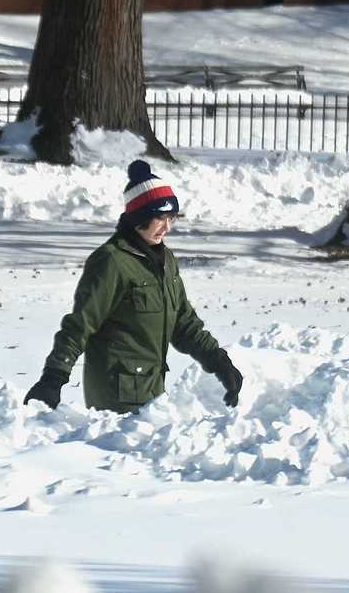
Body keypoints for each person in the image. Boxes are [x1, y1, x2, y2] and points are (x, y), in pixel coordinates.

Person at [24, 160, 242, 411]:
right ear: (140, 217)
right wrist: (54, 377)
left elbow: (183, 322)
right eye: (160, 218)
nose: (167, 227)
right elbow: (81, 324)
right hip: (115, 395)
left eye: (172, 218)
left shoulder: (166, 260)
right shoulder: (112, 261)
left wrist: (218, 361)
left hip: (151, 391)